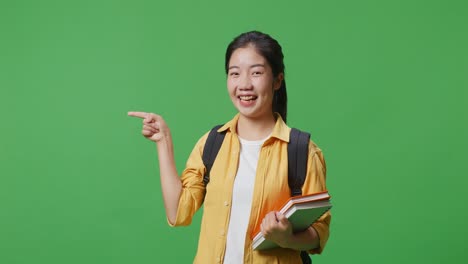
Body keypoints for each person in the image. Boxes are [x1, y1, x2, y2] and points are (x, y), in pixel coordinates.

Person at [128, 31, 331, 264]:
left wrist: (288, 239)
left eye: (256, 73)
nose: (244, 84)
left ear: (277, 80)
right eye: (235, 73)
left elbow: (319, 231)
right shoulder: (212, 143)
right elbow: (178, 213)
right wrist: (163, 143)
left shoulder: (302, 151)